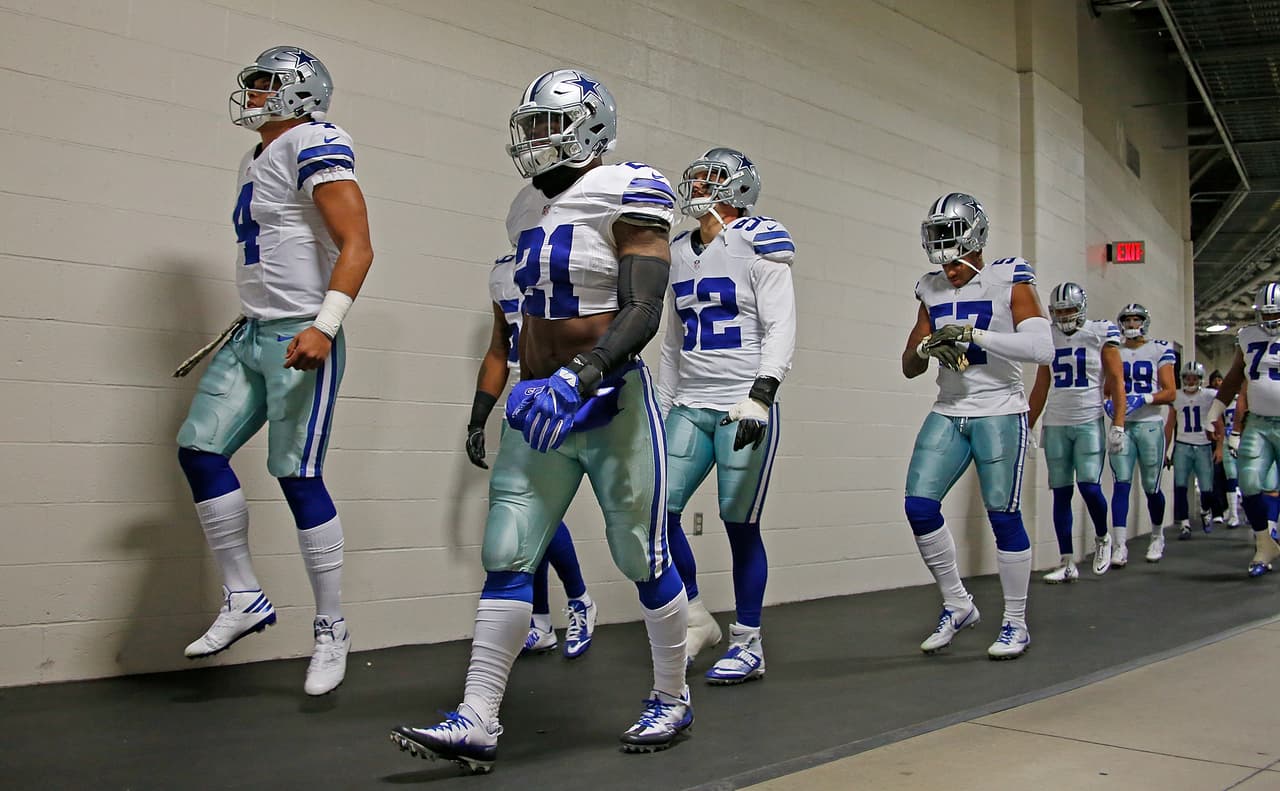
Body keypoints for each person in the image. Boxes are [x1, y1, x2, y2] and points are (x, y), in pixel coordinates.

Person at [391, 69, 690, 772]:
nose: (533, 139)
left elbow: (642, 310)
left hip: (608, 398)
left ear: (591, 126)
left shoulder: (631, 187)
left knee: (640, 555)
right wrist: (525, 386)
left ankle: (672, 695)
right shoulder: (522, 208)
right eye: (529, 125)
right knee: (507, 548)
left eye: (547, 125)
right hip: (539, 402)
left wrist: (578, 376)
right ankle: (478, 715)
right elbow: (521, 319)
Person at [175, 47, 373, 696]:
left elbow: (359, 244)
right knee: (199, 449)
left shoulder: (316, 140)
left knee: (296, 474)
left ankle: (332, 626)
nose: (254, 95)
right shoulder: (255, 156)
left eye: (266, 85)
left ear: (299, 92)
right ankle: (244, 596)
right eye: (253, 85)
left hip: (300, 334)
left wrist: (326, 324)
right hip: (252, 329)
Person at [657, 147, 796, 683]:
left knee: (740, 525)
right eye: (698, 175)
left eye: (713, 177)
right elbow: (672, 342)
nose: (699, 184)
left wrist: (763, 392)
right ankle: (695, 616)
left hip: (744, 403)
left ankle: (749, 641)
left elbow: (781, 324)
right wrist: (663, 405)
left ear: (739, 188)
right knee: (657, 510)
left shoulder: (758, 240)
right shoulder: (677, 251)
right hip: (690, 403)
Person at [901, 193, 1053, 660]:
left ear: (975, 237)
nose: (948, 263)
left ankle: (1015, 622)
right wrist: (926, 348)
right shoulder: (930, 288)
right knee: (919, 506)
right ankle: (957, 603)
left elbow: (1042, 348)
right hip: (950, 408)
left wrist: (975, 335)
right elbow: (908, 365)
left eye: (954, 244)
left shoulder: (1009, 278)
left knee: (1003, 516)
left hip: (1000, 409)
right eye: (940, 244)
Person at [466, 251, 598, 659]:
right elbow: (498, 350)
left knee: (543, 513)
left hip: (572, 396)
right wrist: (478, 419)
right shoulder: (502, 272)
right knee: (521, 517)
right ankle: (538, 620)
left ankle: (579, 600)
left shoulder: (572, 255)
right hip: (524, 402)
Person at [1027, 282, 1125, 581]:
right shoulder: (1050, 335)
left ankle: (1103, 537)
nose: (1065, 316)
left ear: (1081, 308)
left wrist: (1118, 423)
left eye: (1069, 309)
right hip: (1056, 422)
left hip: (1088, 419)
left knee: (1089, 486)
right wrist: (1028, 424)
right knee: (1060, 493)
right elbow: (1042, 383)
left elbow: (1117, 380)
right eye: (1059, 311)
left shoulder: (1099, 333)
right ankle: (1067, 561)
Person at [1207, 288, 1280, 576]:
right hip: (1259, 422)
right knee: (1247, 482)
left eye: (1277, 313)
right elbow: (1236, 375)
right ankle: (1264, 544)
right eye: (1267, 313)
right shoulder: (1248, 335)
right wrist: (1214, 412)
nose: (1271, 319)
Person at [1107, 304, 1177, 564]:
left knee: (1152, 486)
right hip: (1122, 424)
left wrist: (1145, 397)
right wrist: (1108, 404)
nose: (1132, 323)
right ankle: (1119, 544)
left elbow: (1170, 392)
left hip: (1149, 424)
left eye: (1137, 319)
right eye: (1128, 319)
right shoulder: (1115, 350)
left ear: (1145, 322)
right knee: (1121, 484)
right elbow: (1107, 388)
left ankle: (1157, 535)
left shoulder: (1159, 348)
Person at [1165, 362, 1221, 539]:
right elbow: (1170, 425)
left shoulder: (1209, 396)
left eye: (1194, 378)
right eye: (1187, 378)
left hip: (1203, 445)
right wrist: (1165, 451)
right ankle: (1185, 525)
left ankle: (1205, 510)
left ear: (1200, 379)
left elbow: (1219, 423)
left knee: (1207, 490)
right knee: (1180, 486)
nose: (1190, 381)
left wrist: (1219, 447)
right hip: (1182, 445)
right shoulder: (1177, 397)